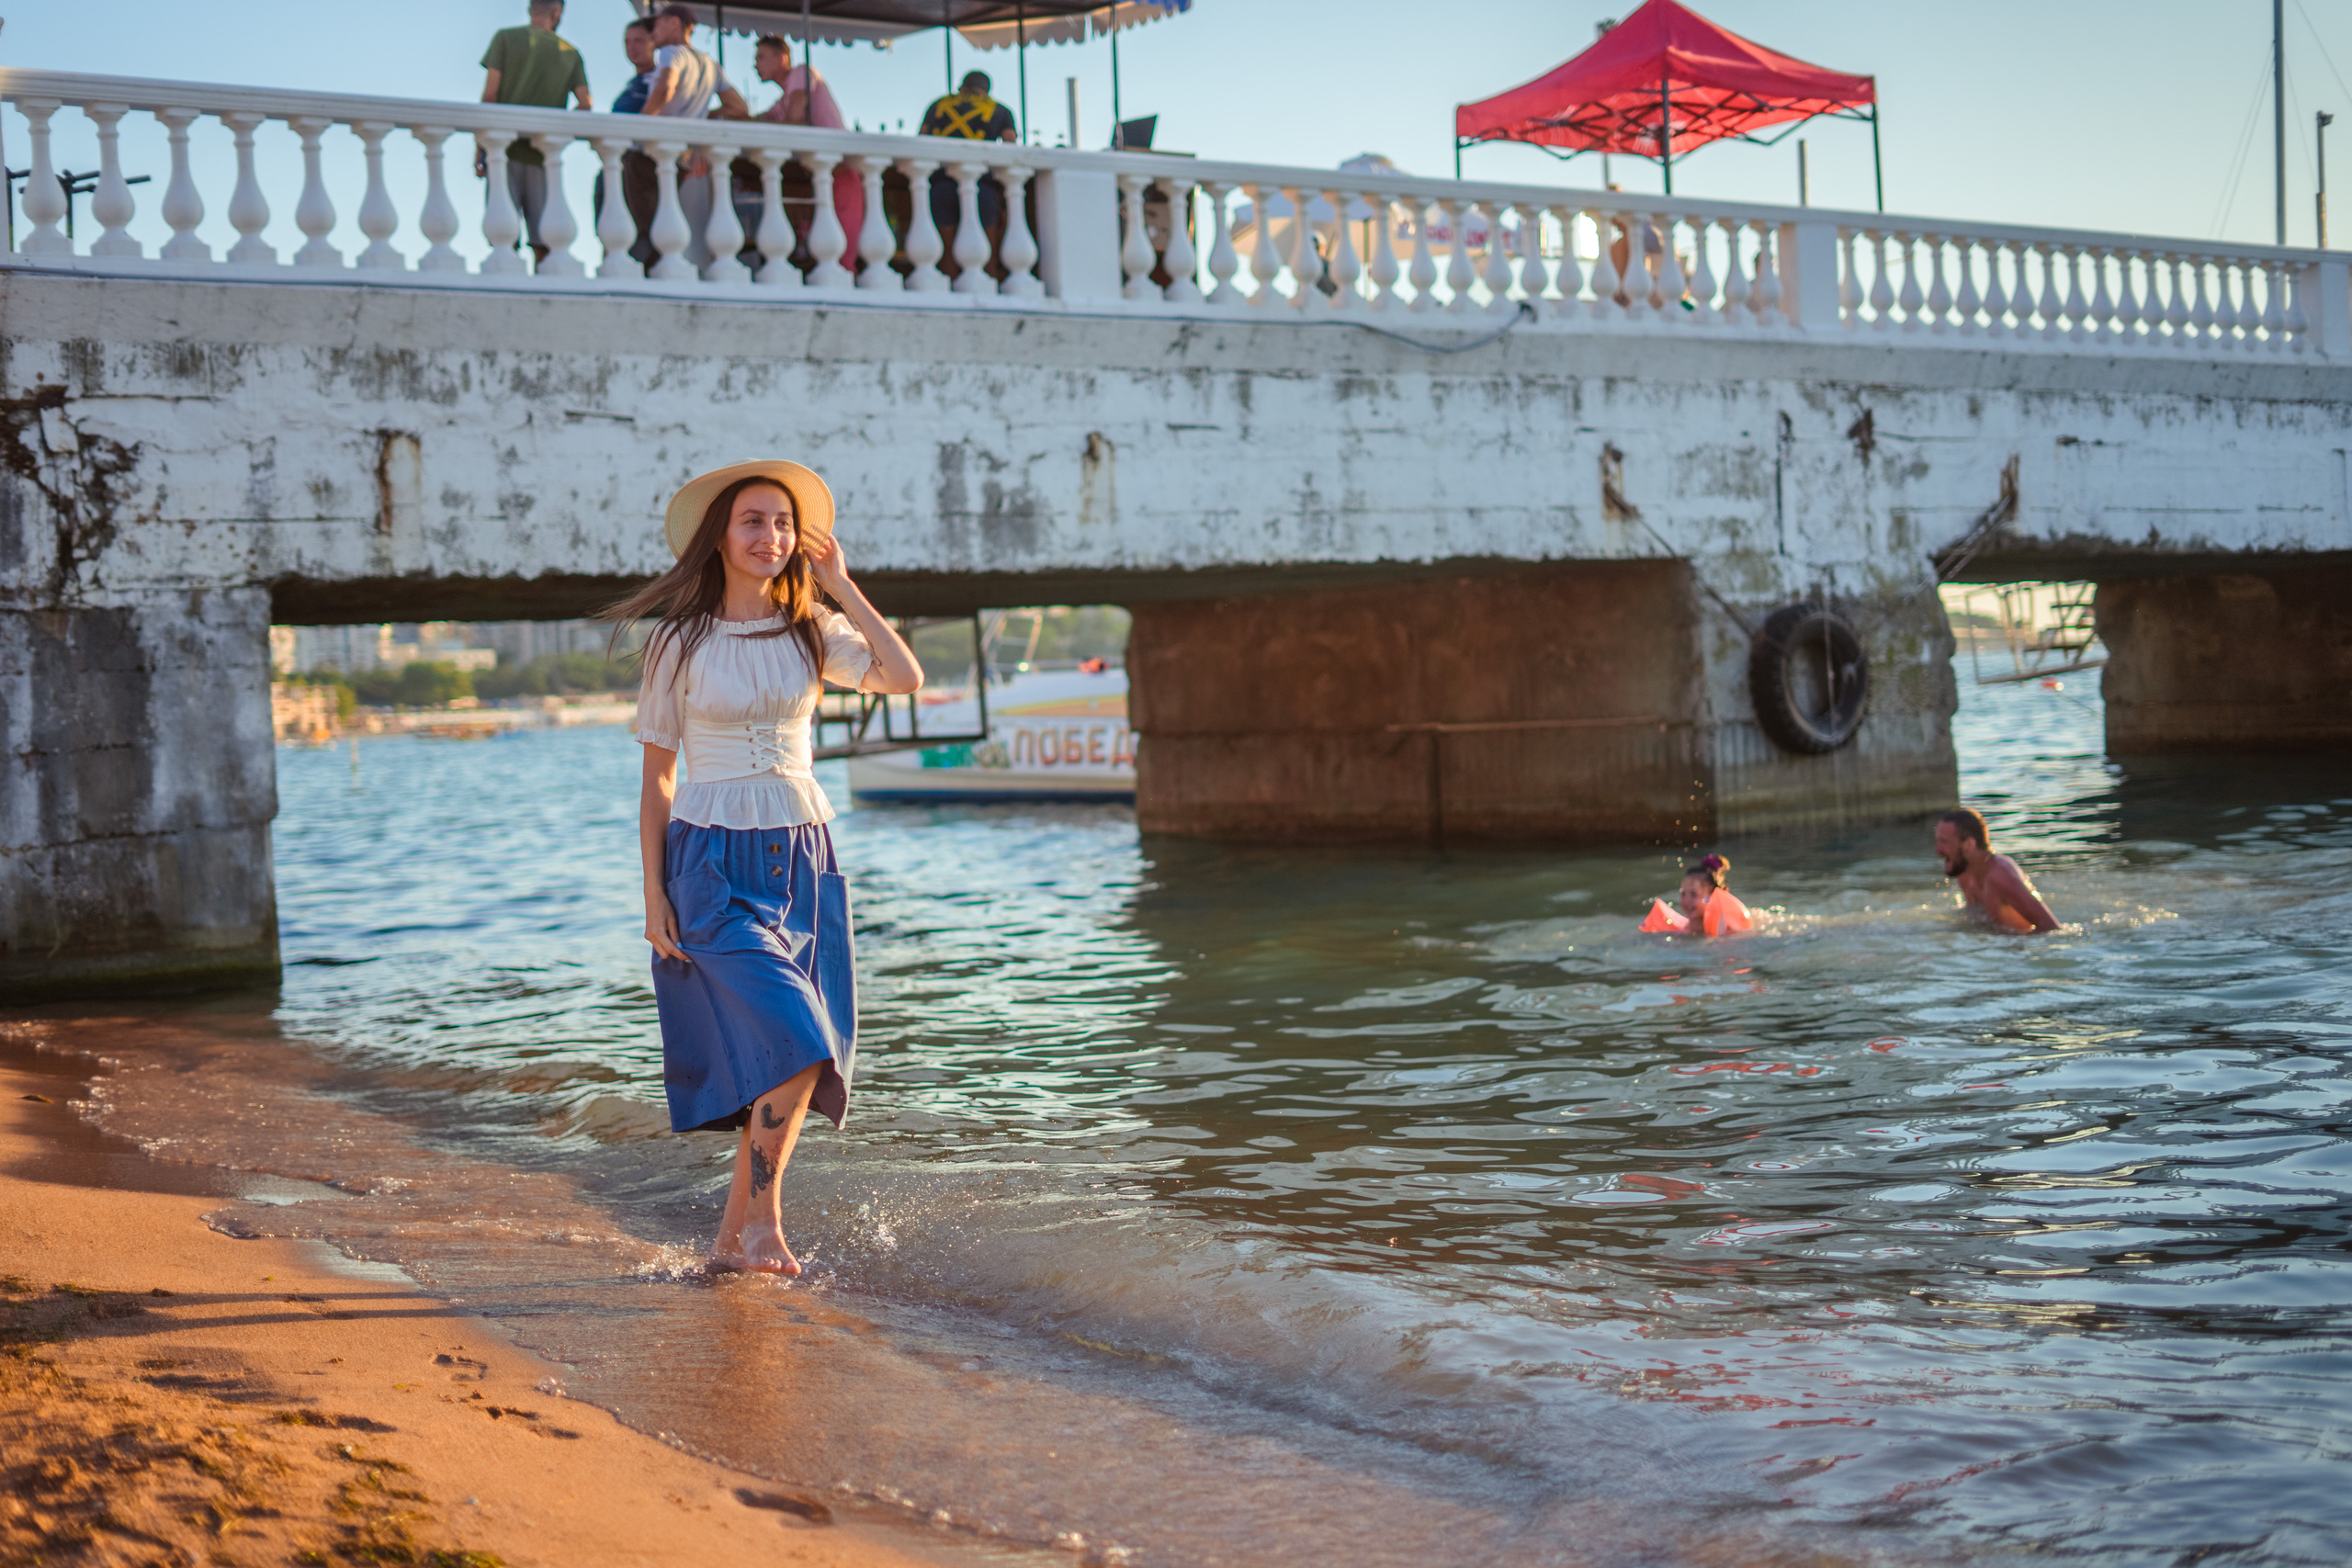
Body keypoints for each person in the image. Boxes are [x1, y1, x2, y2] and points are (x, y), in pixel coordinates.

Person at [610, 460, 922, 1274]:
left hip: (803, 859)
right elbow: (657, 782)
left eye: (783, 524)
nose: (771, 538)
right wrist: (654, 896)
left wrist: (843, 586)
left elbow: (905, 677)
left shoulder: (811, 629)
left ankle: (733, 1235)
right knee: (799, 1040)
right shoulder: (677, 642)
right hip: (710, 857)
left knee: (803, 1052)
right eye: (753, 521)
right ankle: (764, 1226)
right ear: (720, 534)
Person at [628, 4, 750, 269]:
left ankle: (648, 259)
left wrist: (640, 127)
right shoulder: (709, 64)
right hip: (686, 157)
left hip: (657, 152)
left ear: (674, 23)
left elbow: (664, 89)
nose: (652, 34)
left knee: (644, 217)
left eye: (657, 25)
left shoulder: (672, 53)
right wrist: (703, 116)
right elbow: (738, 108)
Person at [732, 35, 864, 276]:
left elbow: (793, 118)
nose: (755, 65)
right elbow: (761, 119)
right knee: (827, 249)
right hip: (822, 177)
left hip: (839, 174)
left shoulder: (802, 73)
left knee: (841, 256)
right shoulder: (784, 98)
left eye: (761, 57)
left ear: (781, 58)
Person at [479, 0, 592, 264]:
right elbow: (586, 105)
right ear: (557, 13)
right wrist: (559, 133)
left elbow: (490, 95)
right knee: (545, 241)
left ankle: (508, 288)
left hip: (503, 152)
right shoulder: (570, 53)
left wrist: (480, 146)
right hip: (542, 157)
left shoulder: (505, 38)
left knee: (504, 238)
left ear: (530, 9)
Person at [919, 71, 1016, 276]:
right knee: (987, 257)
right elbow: (1011, 146)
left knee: (947, 257)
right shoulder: (1000, 110)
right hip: (982, 188)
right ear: (987, 91)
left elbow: (921, 140)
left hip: (942, 185)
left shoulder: (938, 105)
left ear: (961, 87)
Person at [1936, 807, 2060, 933]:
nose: (1938, 851)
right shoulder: (1965, 874)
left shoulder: (2001, 876)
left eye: (1944, 842)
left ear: (1969, 845)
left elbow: (2052, 928)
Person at [593, 19, 658, 245]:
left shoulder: (658, 81)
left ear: (653, 42)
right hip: (615, 163)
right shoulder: (632, 85)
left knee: (637, 232)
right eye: (627, 41)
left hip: (637, 165)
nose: (632, 47)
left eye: (639, 40)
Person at [1638, 853, 1753, 936]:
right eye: (1683, 894)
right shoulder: (1677, 932)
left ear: (1712, 897)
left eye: (1694, 894)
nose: (1686, 900)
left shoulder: (1727, 932)